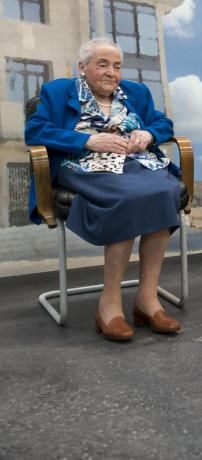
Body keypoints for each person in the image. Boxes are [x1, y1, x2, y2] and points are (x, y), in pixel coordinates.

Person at [26, 38, 182, 341]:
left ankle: (147, 300)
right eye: (103, 64)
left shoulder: (136, 93)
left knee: (165, 189)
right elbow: (35, 130)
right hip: (84, 165)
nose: (112, 72)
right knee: (126, 196)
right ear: (82, 68)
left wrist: (147, 134)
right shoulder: (58, 92)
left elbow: (163, 123)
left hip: (136, 161)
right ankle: (109, 304)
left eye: (117, 66)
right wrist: (87, 140)